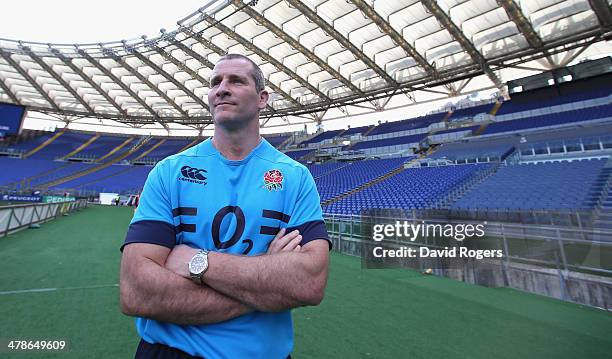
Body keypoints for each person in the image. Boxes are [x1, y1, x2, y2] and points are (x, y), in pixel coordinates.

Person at [119, 53, 331, 359]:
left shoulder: (295, 177)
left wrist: (198, 263)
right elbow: (137, 291)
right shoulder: (169, 171)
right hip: (169, 352)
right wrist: (267, 288)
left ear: (262, 99)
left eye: (236, 80)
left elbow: (309, 283)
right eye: (215, 82)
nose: (222, 88)